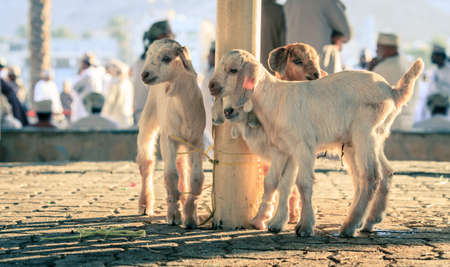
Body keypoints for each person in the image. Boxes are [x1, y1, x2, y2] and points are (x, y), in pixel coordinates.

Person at [368, 33, 420, 130]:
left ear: (388, 50)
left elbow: (367, 94)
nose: (376, 51)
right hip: (408, 123)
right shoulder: (410, 65)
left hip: (386, 124)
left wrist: (370, 70)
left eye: (378, 48)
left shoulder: (381, 68)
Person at [131, 20, 174, 123]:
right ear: (162, 37)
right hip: (155, 122)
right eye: (171, 37)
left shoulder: (141, 61)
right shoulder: (158, 63)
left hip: (144, 119)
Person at [284, 0, 351, 58]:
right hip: (321, 64)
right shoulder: (328, 2)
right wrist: (336, 37)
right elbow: (347, 34)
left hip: (293, 64)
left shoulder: (288, 3)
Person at [102, 59, 134, 128]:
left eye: (107, 68)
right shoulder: (128, 82)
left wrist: (104, 114)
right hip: (127, 115)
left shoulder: (114, 82)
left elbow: (110, 101)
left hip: (115, 117)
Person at [261, 0, 286, 72]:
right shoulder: (279, 11)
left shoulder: (247, 10)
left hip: (250, 67)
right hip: (271, 68)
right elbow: (284, 44)